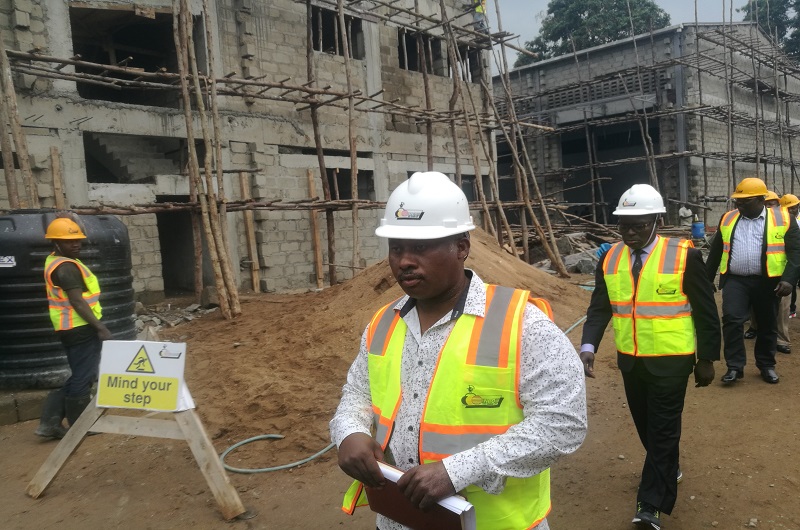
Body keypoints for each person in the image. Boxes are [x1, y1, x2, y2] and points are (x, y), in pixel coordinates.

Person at [330, 171, 587, 530]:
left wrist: (457, 471)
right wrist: (348, 432)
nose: (404, 260)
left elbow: (562, 424)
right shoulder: (383, 323)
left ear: (462, 247)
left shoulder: (522, 325)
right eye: (396, 247)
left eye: (420, 247)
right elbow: (357, 393)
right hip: (398, 521)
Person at [579, 184, 721, 530]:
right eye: (623, 225)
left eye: (638, 225)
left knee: (662, 430)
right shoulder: (610, 258)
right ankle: (667, 467)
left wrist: (708, 358)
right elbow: (600, 307)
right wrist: (588, 347)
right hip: (631, 360)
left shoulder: (684, 256)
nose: (629, 232)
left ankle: (651, 504)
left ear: (656, 221)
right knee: (647, 426)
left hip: (672, 361)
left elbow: (705, 311)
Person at [706, 177, 800, 385]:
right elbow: (715, 253)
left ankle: (766, 365)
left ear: (760, 199)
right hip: (735, 280)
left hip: (768, 282)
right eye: (737, 201)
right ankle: (734, 367)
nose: (739, 205)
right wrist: (706, 278)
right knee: (732, 319)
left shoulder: (783, 219)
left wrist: (789, 280)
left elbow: (795, 253)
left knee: (767, 324)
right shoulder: (728, 219)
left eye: (745, 201)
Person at [35, 216, 112, 439]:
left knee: (78, 374)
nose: (76, 244)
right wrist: (100, 328)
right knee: (83, 377)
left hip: (68, 328)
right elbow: (77, 302)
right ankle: (82, 426)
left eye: (78, 240)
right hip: (80, 328)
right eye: (69, 241)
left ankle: (49, 424)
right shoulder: (66, 267)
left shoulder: (54, 260)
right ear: (56, 243)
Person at [783, 193, 800, 320]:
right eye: (788, 208)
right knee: (791, 283)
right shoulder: (782, 221)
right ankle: (791, 308)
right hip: (791, 257)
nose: (791, 210)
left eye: (794, 207)